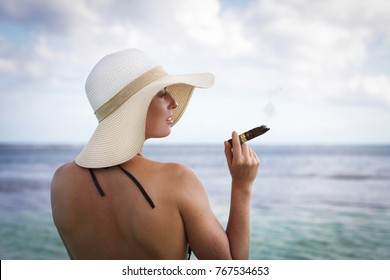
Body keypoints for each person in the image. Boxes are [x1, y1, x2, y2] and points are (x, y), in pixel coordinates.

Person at [51, 49, 260, 260]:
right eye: (162, 93)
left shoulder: (62, 181)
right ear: (134, 107)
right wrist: (242, 186)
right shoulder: (178, 180)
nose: (174, 102)